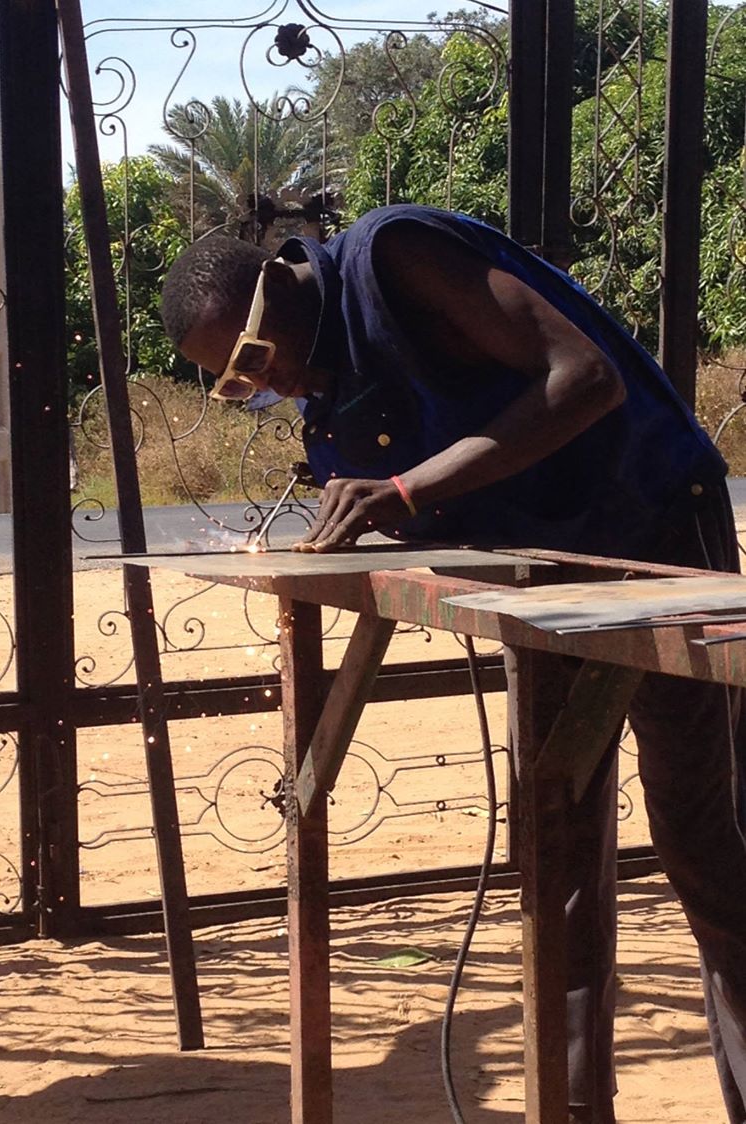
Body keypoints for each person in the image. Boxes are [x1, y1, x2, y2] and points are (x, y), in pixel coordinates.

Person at [160, 204, 746, 1124]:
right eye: (238, 387)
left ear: (276, 286)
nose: (263, 383)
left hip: (653, 534)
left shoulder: (400, 257)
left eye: (251, 361)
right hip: (545, 570)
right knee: (556, 860)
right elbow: (414, 484)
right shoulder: (332, 369)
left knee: (702, 842)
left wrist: (403, 490)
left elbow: (584, 379)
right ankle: (573, 1109)